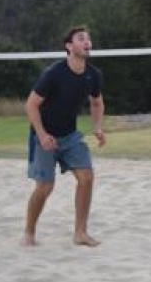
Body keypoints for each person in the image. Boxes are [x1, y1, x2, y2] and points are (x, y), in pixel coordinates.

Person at [22, 26, 106, 247]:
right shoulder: (53, 73)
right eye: (81, 39)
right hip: (44, 136)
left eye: (89, 38)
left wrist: (98, 127)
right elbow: (31, 105)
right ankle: (29, 233)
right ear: (69, 46)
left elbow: (97, 102)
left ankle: (80, 233)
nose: (87, 42)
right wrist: (41, 135)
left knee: (87, 177)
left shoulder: (93, 74)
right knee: (45, 187)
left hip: (70, 136)